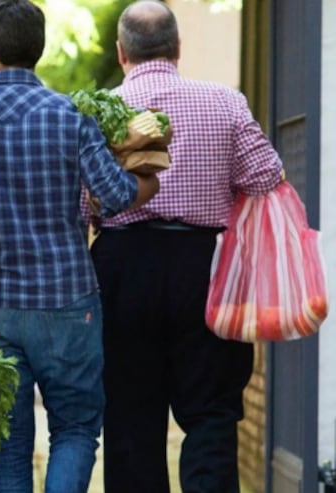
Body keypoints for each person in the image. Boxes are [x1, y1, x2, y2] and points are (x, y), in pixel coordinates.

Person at [0, 1, 160, 491]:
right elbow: (114, 197)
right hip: (68, 300)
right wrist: (149, 184)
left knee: (7, 443)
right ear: (39, 51)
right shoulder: (72, 115)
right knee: (74, 430)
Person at [86, 2, 284, 492]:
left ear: (121, 51)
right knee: (212, 414)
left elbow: (79, 205)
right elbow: (266, 176)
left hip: (122, 268)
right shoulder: (224, 102)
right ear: (177, 48)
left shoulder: (97, 114)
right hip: (205, 268)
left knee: (131, 418)